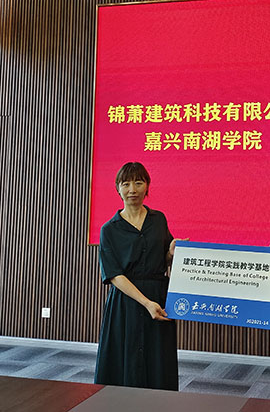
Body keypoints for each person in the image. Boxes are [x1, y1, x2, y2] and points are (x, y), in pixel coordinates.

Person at [94, 162, 178, 389]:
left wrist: (171, 253)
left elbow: (164, 259)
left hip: (158, 297)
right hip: (126, 301)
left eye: (138, 183)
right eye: (126, 184)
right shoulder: (109, 229)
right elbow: (114, 275)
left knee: (158, 358)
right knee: (126, 357)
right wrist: (146, 302)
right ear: (118, 188)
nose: (132, 189)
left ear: (147, 186)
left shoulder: (158, 219)